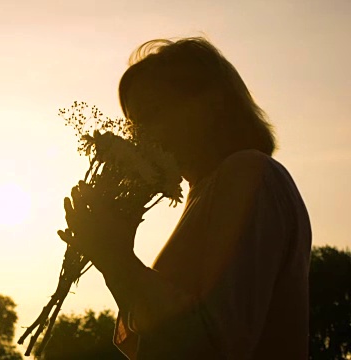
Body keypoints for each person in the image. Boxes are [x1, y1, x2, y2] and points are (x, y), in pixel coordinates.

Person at [60, 38, 311, 359]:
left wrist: (117, 259)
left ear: (212, 103)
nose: (141, 136)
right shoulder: (209, 189)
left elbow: (215, 342)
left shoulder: (249, 172)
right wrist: (111, 257)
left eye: (154, 113)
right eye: (136, 123)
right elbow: (151, 344)